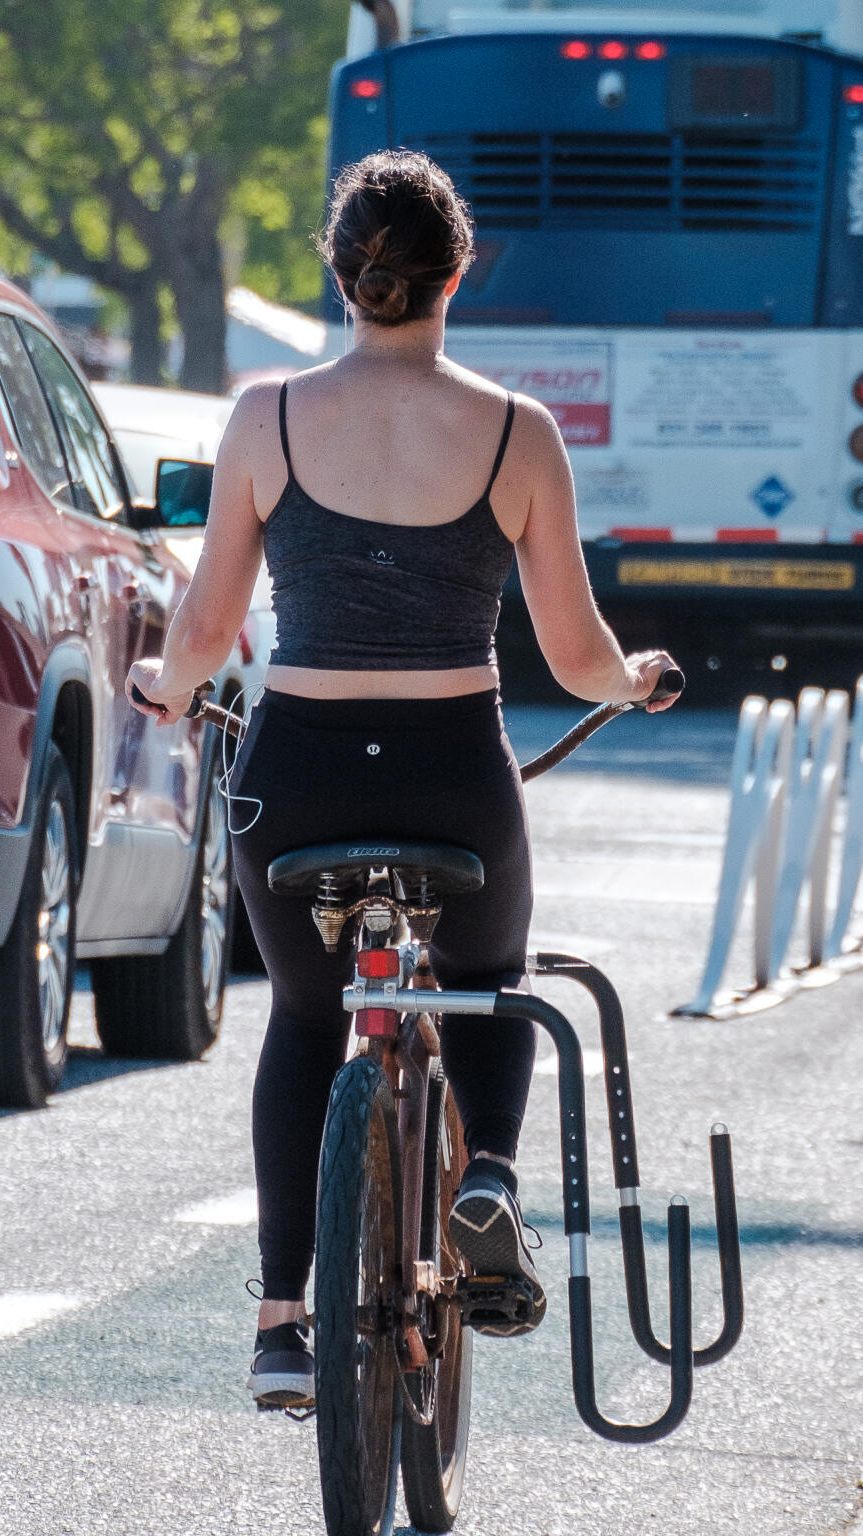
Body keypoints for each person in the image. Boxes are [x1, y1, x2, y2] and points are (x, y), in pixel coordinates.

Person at [125, 150, 679, 1411]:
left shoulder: (263, 414)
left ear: (340, 269)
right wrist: (637, 675)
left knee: (309, 1020)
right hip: (451, 774)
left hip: (299, 774)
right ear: (457, 272)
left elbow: (208, 629)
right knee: (487, 982)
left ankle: (279, 1320)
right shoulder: (515, 432)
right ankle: (485, 1171)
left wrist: (164, 683)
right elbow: (578, 652)